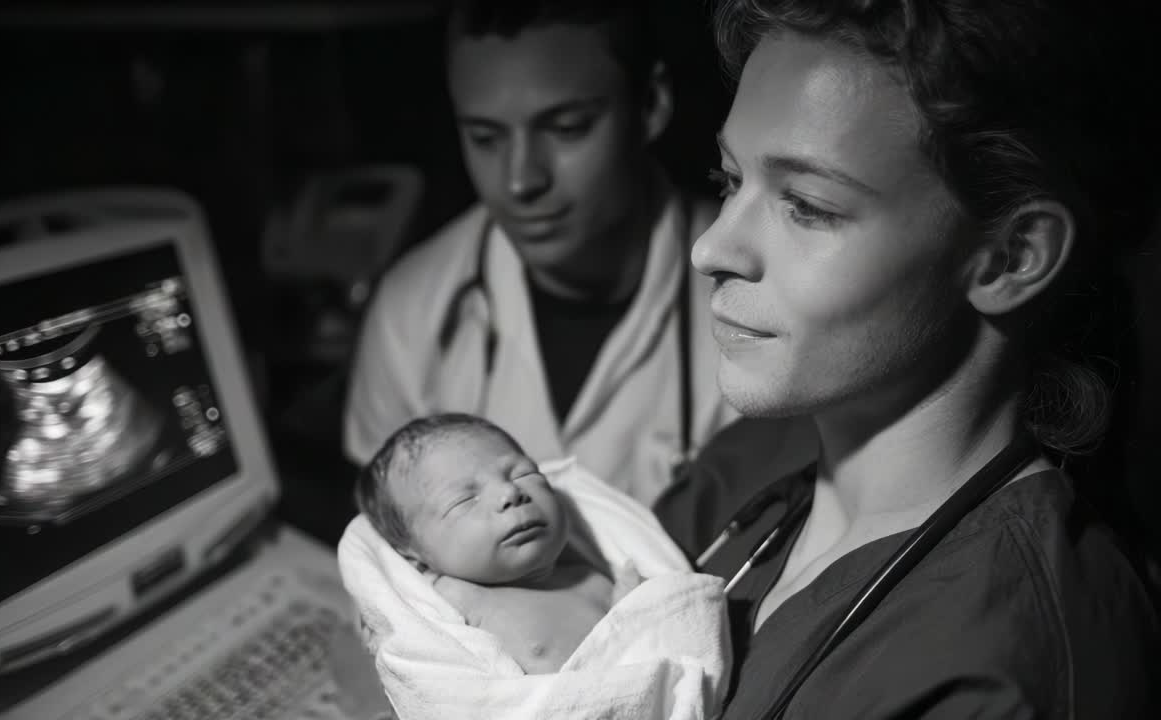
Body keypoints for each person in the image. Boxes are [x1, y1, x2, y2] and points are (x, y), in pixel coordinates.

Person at [651, 0, 1161, 716]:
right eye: (730, 181)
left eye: (806, 205)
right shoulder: (750, 477)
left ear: (1009, 258)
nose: (712, 250)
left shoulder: (1001, 662)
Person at [342, 0, 815, 505]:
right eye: (486, 138)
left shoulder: (767, 305)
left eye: (566, 128)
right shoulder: (411, 310)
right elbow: (385, 533)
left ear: (651, 104)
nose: (521, 180)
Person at [353, 413, 624, 673]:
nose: (510, 492)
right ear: (414, 554)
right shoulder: (453, 598)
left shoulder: (597, 574)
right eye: (463, 500)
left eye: (523, 475)